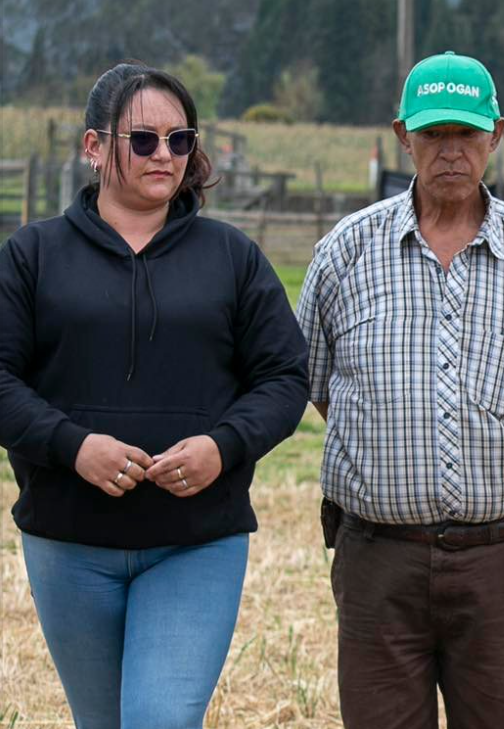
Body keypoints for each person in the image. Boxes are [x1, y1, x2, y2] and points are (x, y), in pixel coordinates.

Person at [0, 62, 308, 728]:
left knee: (158, 718)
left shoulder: (232, 257)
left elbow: (285, 375)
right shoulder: (31, 255)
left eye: (179, 139)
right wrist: (73, 446)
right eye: (142, 139)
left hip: (195, 542)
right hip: (67, 544)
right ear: (93, 147)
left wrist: (222, 448)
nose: (164, 154)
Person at [296, 51, 504, 729]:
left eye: (465, 134)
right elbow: (311, 382)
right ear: (404, 135)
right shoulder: (346, 250)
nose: (450, 151)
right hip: (376, 558)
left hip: (501, 560)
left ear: (497, 134)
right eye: (433, 135)